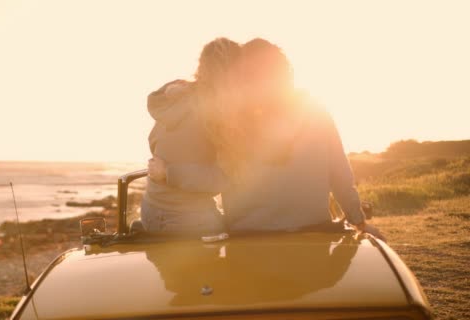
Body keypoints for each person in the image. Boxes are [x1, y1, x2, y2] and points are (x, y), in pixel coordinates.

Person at [149, 38, 384, 240]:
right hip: (314, 231)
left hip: (246, 236)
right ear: (284, 72)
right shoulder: (315, 111)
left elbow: (209, 170)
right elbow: (340, 175)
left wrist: (170, 173)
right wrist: (359, 221)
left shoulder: (232, 120)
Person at [141, 38, 241, 234]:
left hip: (150, 210)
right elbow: (220, 180)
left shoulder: (175, 98)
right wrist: (169, 173)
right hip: (188, 219)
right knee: (239, 241)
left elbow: (154, 140)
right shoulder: (220, 111)